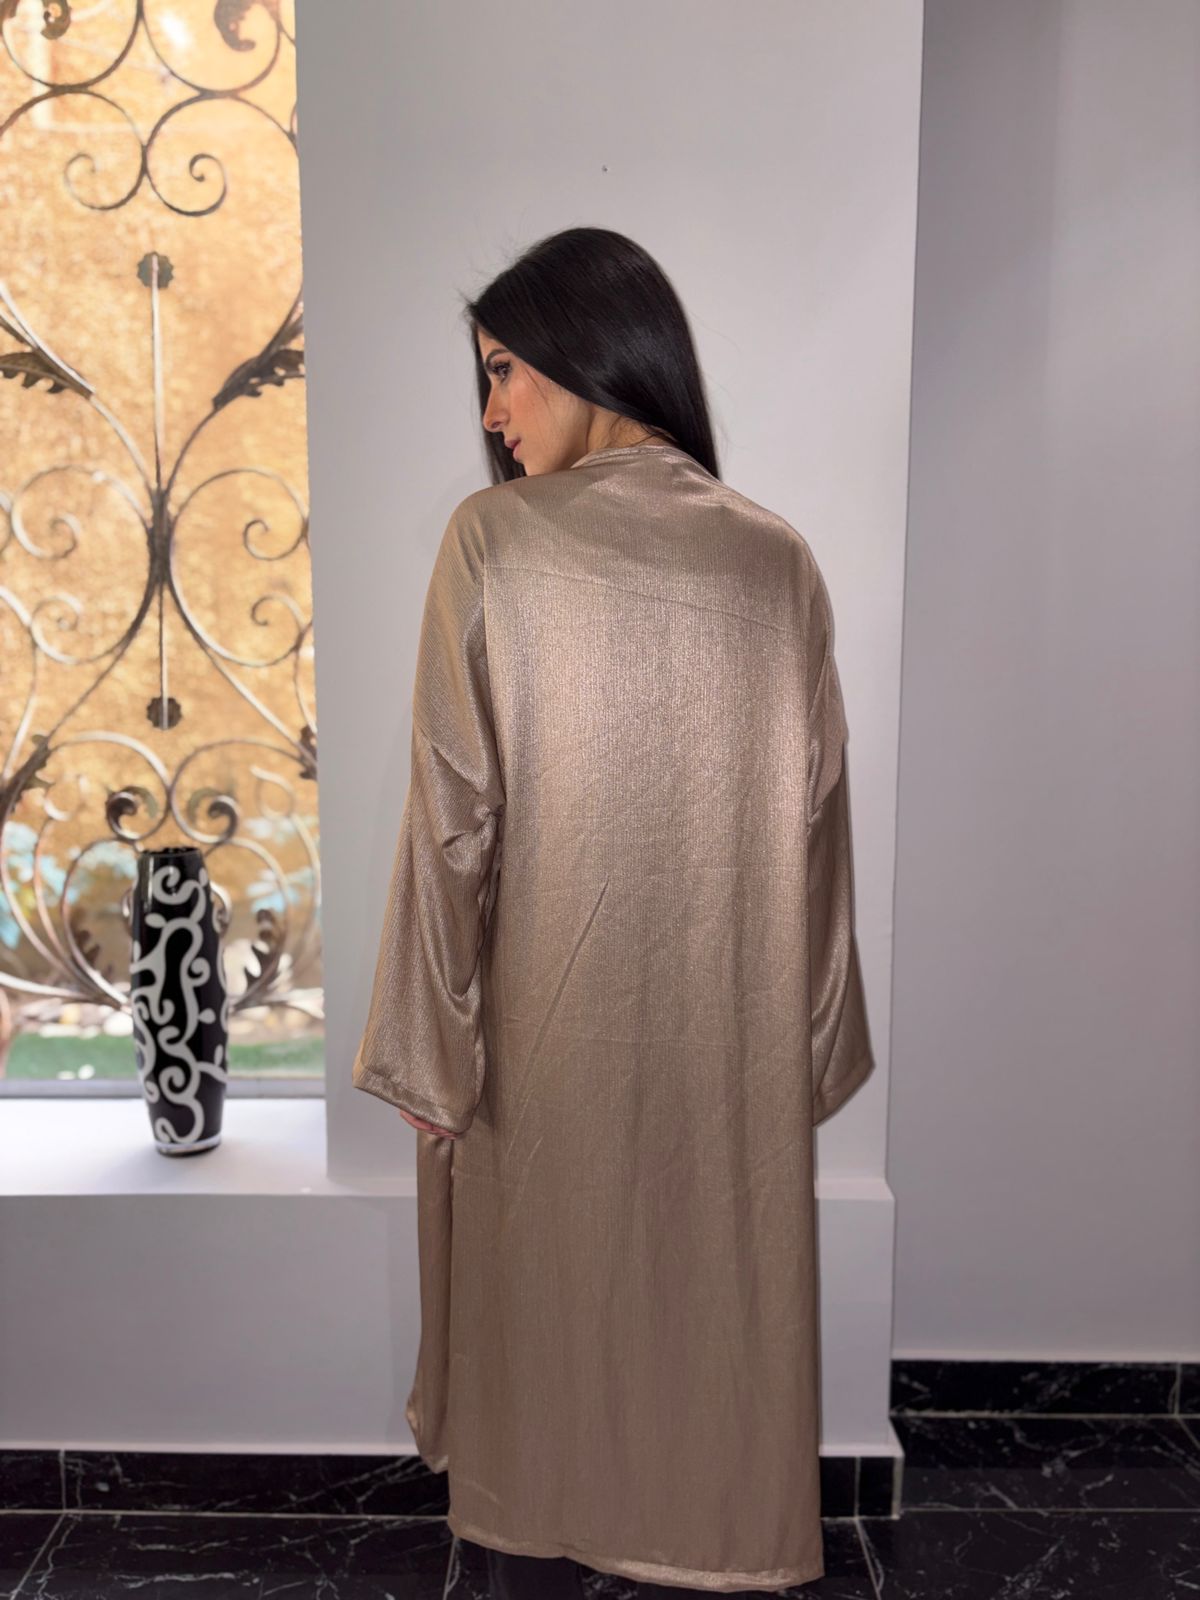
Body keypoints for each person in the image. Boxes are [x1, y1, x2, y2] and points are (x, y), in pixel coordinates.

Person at [352, 226, 874, 1596]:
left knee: (542, 1336)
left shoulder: (493, 544)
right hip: (725, 1057)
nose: (490, 413)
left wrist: (427, 1048)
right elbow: (818, 835)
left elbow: (451, 817)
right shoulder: (778, 561)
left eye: (504, 370)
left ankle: (544, 1527)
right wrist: (807, 1052)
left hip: (543, 1049)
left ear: (586, 353)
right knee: (712, 1318)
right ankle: (712, 1536)